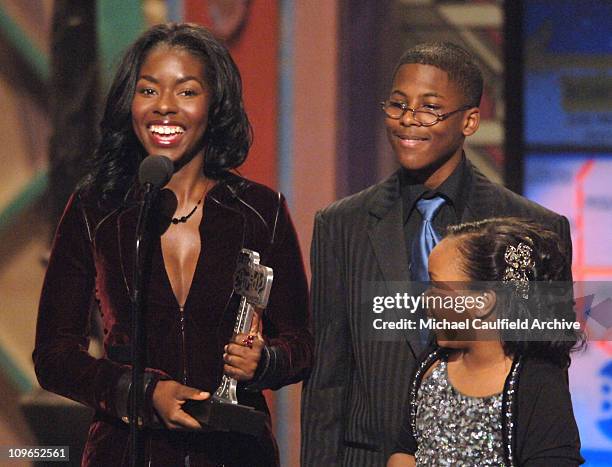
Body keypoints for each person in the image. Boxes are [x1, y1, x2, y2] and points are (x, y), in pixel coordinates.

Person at [33, 23, 312, 467]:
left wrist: (265, 361)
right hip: (125, 453)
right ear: (130, 102)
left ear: (214, 104)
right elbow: (54, 355)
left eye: (186, 92)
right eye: (148, 90)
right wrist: (143, 393)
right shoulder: (96, 209)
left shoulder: (262, 210)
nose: (164, 107)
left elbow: (302, 341)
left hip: (235, 453)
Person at [301, 42, 573, 466]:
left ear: (469, 120)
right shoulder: (341, 225)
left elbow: (546, 368)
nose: (409, 119)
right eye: (397, 104)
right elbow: (327, 383)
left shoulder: (530, 227)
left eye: (429, 108)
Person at [387, 218, 584, 466]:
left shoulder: (538, 386)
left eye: (437, 286)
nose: (426, 298)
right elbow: (405, 449)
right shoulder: (432, 364)